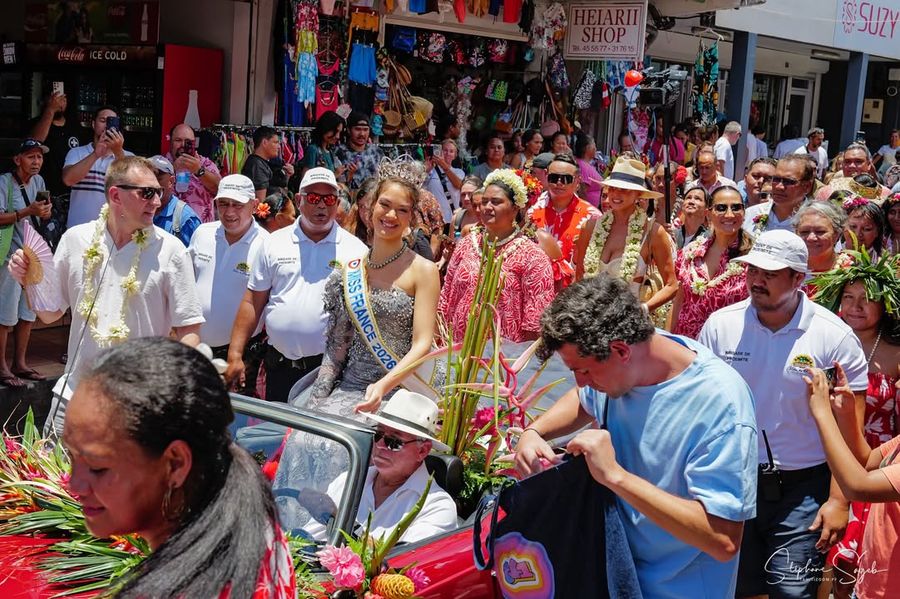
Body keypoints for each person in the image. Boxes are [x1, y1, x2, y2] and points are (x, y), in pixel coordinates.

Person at [515, 275, 757, 598]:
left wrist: (615, 477)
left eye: (584, 370)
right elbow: (582, 399)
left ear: (620, 350)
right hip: (614, 580)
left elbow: (723, 539)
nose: (581, 382)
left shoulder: (720, 405)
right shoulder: (627, 362)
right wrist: (534, 431)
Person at [697, 229, 869, 599]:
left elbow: (849, 427)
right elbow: (700, 405)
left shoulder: (834, 337)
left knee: (791, 592)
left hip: (805, 489)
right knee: (734, 589)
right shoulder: (719, 326)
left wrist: (838, 501)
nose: (757, 281)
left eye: (770, 274)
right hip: (732, 480)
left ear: (799, 279)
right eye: (752, 271)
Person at [63, 337, 295, 598]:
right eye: (72, 456)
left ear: (175, 463)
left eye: (97, 467)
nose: (74, 485)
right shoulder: (248, 511)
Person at [8, 156, 204, 434]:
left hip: (140, 406)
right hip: (73, 400)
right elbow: (50, 313)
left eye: (159, 192)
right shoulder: (76, 240)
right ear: (116, 195)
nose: (157, 201)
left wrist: (176, 391)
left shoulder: (172, 251)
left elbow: (189, 329)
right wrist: (29, 279)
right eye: (147, 193)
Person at [226, 167, 367, 402]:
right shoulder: (273, 243)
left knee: (317, 438)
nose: (321, 205)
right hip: (280, 367)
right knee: (277, 435)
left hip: (330, 372)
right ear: (299, 200)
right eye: (313, 198)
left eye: (329, 198)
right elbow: (252, 301)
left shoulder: (357, 251)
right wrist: (235, 354)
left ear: (337, 203)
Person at [806, 248, 900, 597]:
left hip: (879, 464)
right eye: (848, 297)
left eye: (866, 299)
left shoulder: (895, 352)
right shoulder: (821, 342)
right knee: (825, 554)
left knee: (861, 558)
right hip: (825, 456)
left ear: (885, 305)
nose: (856, 305)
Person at [304, 391, 457, 543]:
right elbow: (305, 538)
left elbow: (398, 564)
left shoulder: (437, 507)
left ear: (422, 450)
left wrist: (337, 517)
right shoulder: (348, 481)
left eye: (394, 442)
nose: (380, 445)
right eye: (378, 435)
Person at [806, 364, 900, 599]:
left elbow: (858, 486)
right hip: (873, 585)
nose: (897, 384)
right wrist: (846, 415)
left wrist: (822, 412)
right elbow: (866, 460)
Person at [440, 169, 554, 343]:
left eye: (496, 202)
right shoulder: (466, 244)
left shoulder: (532, 256)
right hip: (458, 352)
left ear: (515, 207)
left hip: (503, 359)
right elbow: (446, 298)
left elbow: (536, 323)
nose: (487, 207)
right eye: (484, 201)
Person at [189, 174, 268, 395]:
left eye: (237, 205)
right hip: (196, 348)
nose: (229, 212)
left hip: (241, 356)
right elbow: (185, 285)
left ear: (254, 205)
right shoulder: (202, 233)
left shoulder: (266, 245)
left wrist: (238, 355)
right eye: (223, 204)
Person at [575, 158, 676, 324]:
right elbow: (579, 277)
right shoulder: (590, 227)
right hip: (590, 322)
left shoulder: (654, 232)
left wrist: (642, 310)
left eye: (625, 190)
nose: (616, 194)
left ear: (638, 194)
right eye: (613, 188)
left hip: (629, 326)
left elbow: (672, 285)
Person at [0, 139, 52, 387]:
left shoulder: (40, 182)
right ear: (17, 159)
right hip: (9, 255)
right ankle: (2, 367)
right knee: (5, 312)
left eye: (39, 157)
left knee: (28, 312)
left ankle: (20, 363)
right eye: (31, 156)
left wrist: (44, 212)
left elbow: (43, 212)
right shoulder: (4, 182)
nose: (36, 161)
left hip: (33, 255)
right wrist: (27, 212)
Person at [670, 186, 752, 339]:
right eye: (721, 208)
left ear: (744, 212)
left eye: (736, 208)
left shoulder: (753, 259)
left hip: (728, 346)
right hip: (686, 345)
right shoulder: (690, 252)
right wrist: (668, 339)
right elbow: (679, 302)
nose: (729, 214)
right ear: (708, 214)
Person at [528, 154, 600, 290]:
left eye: (566, 179)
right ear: (546, 177)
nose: (559, 183)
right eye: (554, 178)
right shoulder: (532, 213)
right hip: (537, 290)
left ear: (577, 182)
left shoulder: (593, 217)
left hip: (574, 295)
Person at [62, 106, 133, 227]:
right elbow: (68, 180)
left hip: (112, 232)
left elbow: (132, 186)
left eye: (111, 122)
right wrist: (95, 155)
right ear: (93, 124)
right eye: (103, 120)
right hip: (77, 230)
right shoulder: (77, 153)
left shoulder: (128, 157)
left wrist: (118, 152)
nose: (107, 126)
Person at [28, 88, 86, 197]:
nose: (59, 102)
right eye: (55, 98)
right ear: (46, 100)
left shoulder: (75, 127)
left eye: (63, 99)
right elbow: (34, 143)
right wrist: (51, 109)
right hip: (42, 188)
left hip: (70, 190)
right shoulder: (36, 124)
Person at [744, 154, 814, 236]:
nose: (779, 186)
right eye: (776, 179)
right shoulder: (750, 214)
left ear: (807, 186)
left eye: (788, 181)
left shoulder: (817, 220)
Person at [165, 123, 222, 223]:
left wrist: (199, 170)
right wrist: (173, 169)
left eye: (188, 141)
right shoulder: (161, 164)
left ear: (194, 143)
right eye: (178, 140)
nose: (183, 145)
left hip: (200, 230)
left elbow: (220, 189)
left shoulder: (206, 164)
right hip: (168, 230)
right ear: (170, 142)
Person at [793, 201, 847, 295]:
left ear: (836, 235)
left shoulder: (849, 271)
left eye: (820, 231)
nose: (811, 238)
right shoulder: (784, 269)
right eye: (804, 232)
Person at [148, 155, 201, 247]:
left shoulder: (185, 219)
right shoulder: (137, 210)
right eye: (147, 177)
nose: (151, 184)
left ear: (171, 181)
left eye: (158, 178)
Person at [817, 144, 892, 201]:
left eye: (858, 161)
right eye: (847, 162)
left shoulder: (885, 194)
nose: (852, 166)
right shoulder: (827, 192)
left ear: (869, 165)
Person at [242, 125, 295, 201]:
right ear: (264, 142)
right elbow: (260, 202)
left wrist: (287, 175)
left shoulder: (261, 163)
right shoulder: (257, 165)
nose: (279, 147)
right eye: (275, 142)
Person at [334, 112, 383, 191]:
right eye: (357, 129)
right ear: (349, 130)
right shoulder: (338, 152)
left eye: (365, 130)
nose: (362, 134)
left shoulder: (377, 152)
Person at [423, 139, 465, 224]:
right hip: (434, 220)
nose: (448, 153)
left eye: (451, 151)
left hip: (452, 219)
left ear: (455, 155)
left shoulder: (459, 172)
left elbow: (459, 185)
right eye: (445, 150)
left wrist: (444, 166)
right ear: (440, 152)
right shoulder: (431, 171)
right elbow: (422, 189)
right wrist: (425, 171)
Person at [300, 111, 346, 181]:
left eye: (339, 132)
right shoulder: (313, 150)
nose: (337, 136)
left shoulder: (330, 152)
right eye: (335, 131)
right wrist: (335, 175)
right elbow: (305, 180)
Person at [574, 134, 602, 208]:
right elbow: (582, 192)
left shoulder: (586, 164)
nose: (595, 148)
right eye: (594, 145)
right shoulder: (582, 166)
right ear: (587, 148)